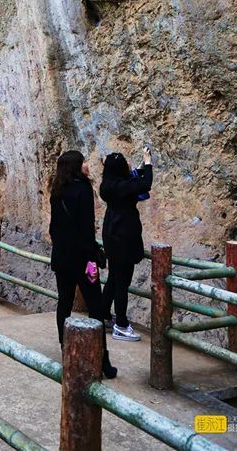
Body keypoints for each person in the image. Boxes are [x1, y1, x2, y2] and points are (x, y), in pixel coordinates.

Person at [49, 149, 117, 379]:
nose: (87, 164)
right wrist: (93, 255)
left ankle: (64, 345)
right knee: (96, 307)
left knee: (64, 302)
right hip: (84, 261)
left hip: (61, 259)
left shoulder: (56, 190)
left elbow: (54, 228)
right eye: (84, 161)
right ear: (76, 166)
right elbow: (86, 229)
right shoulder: (83, 190)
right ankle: (102, 358)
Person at [101, 147, 153, 342]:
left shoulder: (108, 185)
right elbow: (145, 184)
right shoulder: (122, 187)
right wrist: (148, 162)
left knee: (114, 276)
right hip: (124, 236)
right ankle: (121, 325)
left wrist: (140, 168)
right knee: (122, 282)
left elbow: (131, 180)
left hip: (111, 233)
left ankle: (103, 314)